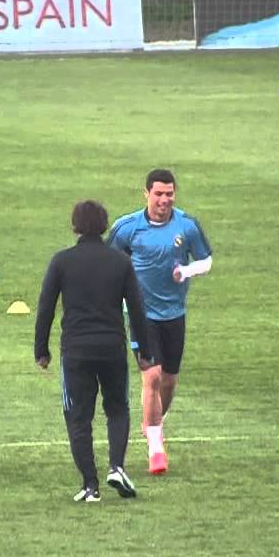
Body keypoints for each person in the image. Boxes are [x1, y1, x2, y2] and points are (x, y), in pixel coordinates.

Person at [35, 200, 154, 503]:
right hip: (112, 347)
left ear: (75, 225)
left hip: (76, 351)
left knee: (78, 418)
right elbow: (137, 309)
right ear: (104, 225)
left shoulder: (61, 261)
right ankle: (116, 466)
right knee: (117, 409)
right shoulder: (120, 262)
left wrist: (42, 349)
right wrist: (144, 349)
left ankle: (91, 485)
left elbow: (45, 308)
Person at [107, 168, 213, 475]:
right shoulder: (127, 227)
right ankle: (156, 448)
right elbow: (108, 259)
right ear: (146, 194)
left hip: (174, 313)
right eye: (158, 194)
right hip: (140, 314)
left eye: (169, 194)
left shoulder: (187, 225)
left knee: (169, 381)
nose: (164, 200)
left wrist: (187, 271)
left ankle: (154, 421)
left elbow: (206, 260)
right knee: (151, 377)